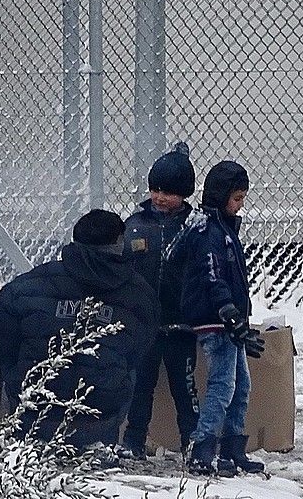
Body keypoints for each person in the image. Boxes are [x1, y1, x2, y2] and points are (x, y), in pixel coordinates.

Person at [0, 209, 157, 454]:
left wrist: (15, 372)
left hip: (34, 412)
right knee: (127, 366)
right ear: (119, 243)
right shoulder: (140, 293)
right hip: (101, 416)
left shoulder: (29, 284)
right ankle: (103, 443)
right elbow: (142, 346)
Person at [168, 160, 266, 477]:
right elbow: (213, 278)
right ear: (221, 195)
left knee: (241, 387)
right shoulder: (208, 231)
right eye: (237, 199)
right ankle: (203, 448)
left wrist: (239, 321)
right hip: (215, 320)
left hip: (228, 321)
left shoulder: (222, 229)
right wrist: (229, 313)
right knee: (222, 387)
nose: (240, 206)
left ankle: (231, 449)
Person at [119, 142, 200, 460]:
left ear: (184, 194)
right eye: (155, 189)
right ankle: (134, 440)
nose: (160, 197)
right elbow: (121, 267)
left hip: (181, 324)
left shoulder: (195, 227)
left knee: (185, 387)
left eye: (168, 191)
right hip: (145, 323)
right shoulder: (135, 225)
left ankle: (192, 439)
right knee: (141, 385)